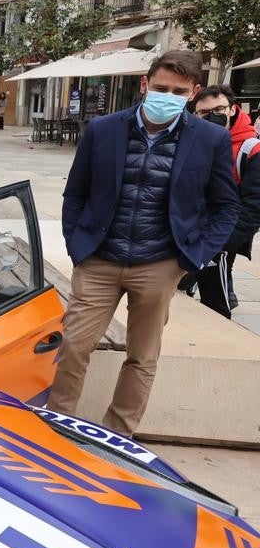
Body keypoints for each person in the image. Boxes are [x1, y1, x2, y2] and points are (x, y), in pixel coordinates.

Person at [47, 50, 239, 437]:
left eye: (178, 90)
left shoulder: (211, 139)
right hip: (99, 258)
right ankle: (56, 428)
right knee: (75, 346)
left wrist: (193, 258)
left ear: (193, 92)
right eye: (160, 87)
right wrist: (76, 244)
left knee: (142, 356)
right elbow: (75, 194)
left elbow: (226, 208)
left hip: (160, 263)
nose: (167, 95)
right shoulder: (103, 129)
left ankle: (118, 436)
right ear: (144, 85)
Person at [180, 85, 260, 317]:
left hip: (221, 235)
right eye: (205, 112)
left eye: (219, 109)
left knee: (215, 298)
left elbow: (254, 205)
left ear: (232, 110)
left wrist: (225, 241)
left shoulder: (250, 149)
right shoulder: (193, 141)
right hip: (189, 232)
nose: (213, 115)